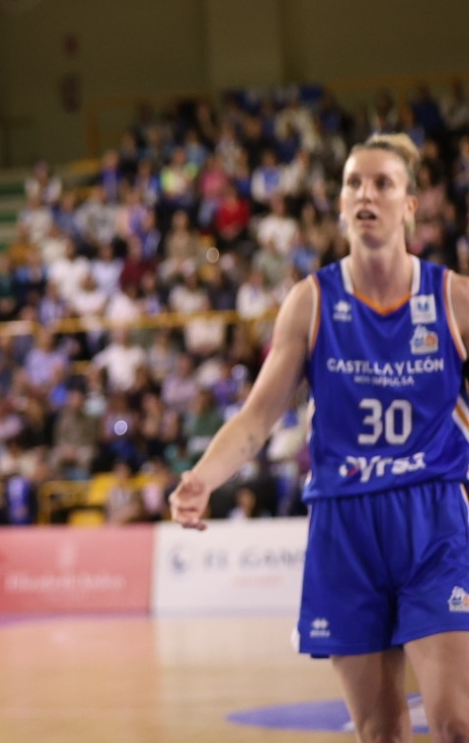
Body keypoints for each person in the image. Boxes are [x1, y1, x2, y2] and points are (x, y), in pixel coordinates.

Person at [171, 133, 469, 743]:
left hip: (434, 516)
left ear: (411, 205)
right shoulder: (310, 303)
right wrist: (202, 476)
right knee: (380, 731)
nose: (367, 194)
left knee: (455, 721)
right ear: (339, 203)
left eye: (383, 183)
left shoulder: (453, 299)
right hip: (344, 522)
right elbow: (257, 419)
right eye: (354, 183)